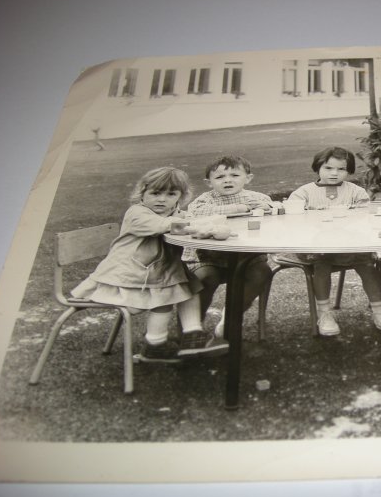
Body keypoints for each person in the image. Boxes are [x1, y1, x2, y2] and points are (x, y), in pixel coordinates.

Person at [70, 167, 220, 362]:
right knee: (163, 297)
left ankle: (192, 333)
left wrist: (196, 223)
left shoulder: (175, 213)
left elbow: (180, 221)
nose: (162, 199)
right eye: (155, 193)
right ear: (142, 193)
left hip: (158, 272)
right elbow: (160, 225)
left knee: (190, 286)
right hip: (128, 275)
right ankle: (154, 345)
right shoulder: (137, 213)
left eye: (171, 194)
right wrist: (194, 224)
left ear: (181, 197)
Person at [282, 146, 381, 337]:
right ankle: (325, 314)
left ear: (349, 171)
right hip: (316, 246)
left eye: (341, 169)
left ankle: (380, 314)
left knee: (367, 263)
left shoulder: (356, 192)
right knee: (321, 265)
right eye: (328, 168)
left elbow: (364, 218)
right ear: (318, 168)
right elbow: (294, 220)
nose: (334, 173)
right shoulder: (303, 193)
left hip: (350, 244)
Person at [183, 155, 274, 338]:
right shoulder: (205, 200)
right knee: (204, 277)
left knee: (262, 272)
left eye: (234, 175)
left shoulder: (257, 197)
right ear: (209, 182)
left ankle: (230, 317)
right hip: (208, 257)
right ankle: (192, 328)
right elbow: (196, 213)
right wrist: (237, 208)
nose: (227, 180)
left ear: (248, 178)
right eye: (219, 177)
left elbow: (271, 209)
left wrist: (266, 207)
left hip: (247, 256)